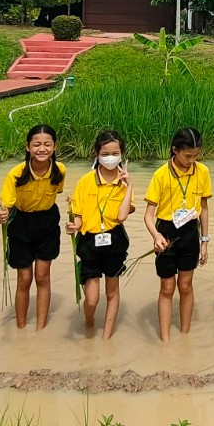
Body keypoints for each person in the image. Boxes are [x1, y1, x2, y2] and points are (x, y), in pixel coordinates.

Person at [0, 124, 66, 330]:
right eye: (36, 144)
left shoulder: (60, 170)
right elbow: (6, 206)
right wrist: (2, 215)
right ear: (28, 147)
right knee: (24, 278)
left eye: (47, 144)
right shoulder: (16, 174)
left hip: (48, 223)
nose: (42, 149)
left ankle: (41, 328)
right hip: (21, 224)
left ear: (54, 146)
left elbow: (57, 192)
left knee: (42, 276)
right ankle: (21, 328)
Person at [144, 127, 212, 341]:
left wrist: (205, 241)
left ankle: (184, 336)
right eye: (187, 156)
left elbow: (204, 208)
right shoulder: (161, 174)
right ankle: (165, 338)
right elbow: (148, 215)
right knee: (167, 287)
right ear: (175, 150)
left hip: (190, 233)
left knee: (185, 285)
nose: (192, 160)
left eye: (196, 155)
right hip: (166, 233)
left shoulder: (203, 172)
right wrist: (156, 236)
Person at [65, 130, 134, 338]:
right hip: (89, 243)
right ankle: (89, 323)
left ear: (121, 154)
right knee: (92, 299)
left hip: (115, 240)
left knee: (112, 291)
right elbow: (78, 216)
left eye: (115, 153)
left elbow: (122, 216)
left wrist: (129, 186)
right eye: (105, 154)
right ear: (96, 154)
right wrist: (73, 226)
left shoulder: (124, 184)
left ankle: (106, 337)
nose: (110, 158)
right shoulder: (85, 181)